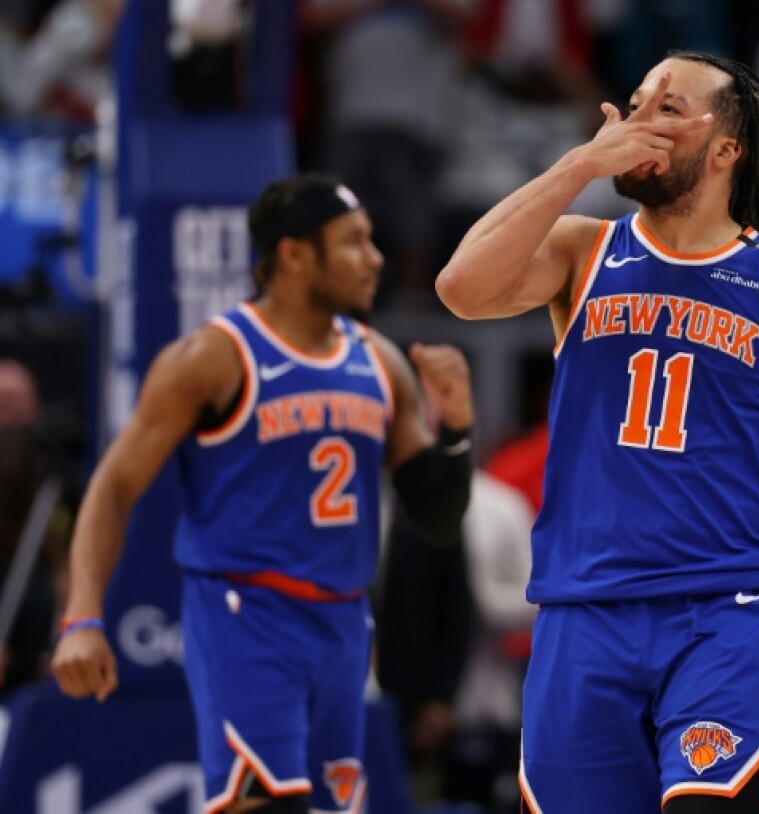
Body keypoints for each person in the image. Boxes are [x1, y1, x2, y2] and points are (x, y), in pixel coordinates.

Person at [436, 51, 759, 814]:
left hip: (725, 611)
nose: (638, 120)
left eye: (667, 110)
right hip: (583, 611)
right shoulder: (584, 252)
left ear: (726, 150)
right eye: (637, 100)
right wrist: (579, 164)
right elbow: (461, 288)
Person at [49, 173, 474, 814]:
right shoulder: (214, 358)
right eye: (354, 242)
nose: (376, 258)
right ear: (294, 255)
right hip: (245, 616)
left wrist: (460, 429)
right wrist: (83, 617)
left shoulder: (379, 362)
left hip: (343, 625)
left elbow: (437, 519)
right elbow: (114, 485)